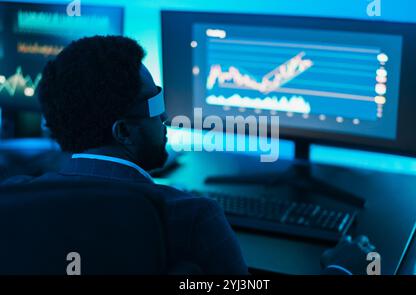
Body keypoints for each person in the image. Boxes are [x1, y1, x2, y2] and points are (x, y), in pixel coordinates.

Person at [2, 36, 375, 275]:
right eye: (155, 103)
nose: (165, 117)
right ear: (124, 131)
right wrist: (342, 271)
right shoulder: (192, 216)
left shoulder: (14, 200)